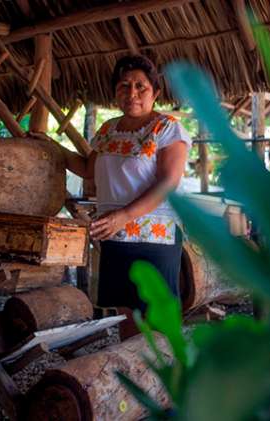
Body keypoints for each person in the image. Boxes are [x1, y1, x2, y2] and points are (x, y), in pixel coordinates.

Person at [54, 55, 191, 311]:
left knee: (155, 312)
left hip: (155, 235)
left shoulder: (167, 128)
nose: (132, 93)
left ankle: (162, 354)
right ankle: (128, 354)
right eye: (124, 86)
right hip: (115, 232)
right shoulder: (108, 130)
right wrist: (51, 148)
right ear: (115, 93)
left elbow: (168, 183)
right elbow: (86, 168)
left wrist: (124, 215)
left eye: (141, 86)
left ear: (155, 93)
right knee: (125, 310)